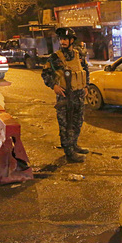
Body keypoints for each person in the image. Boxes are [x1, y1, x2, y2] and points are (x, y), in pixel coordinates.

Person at [42, 27, 90, 163]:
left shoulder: (78, 55)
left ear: (71, 41)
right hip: (65, 97)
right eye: (61, 39)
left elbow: (85, 70)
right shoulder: (55, 57)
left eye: (65, 39)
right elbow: (45, 74)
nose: (63, 41)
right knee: (66, 125)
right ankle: (69, 153)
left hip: (79, 95)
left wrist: (86, 85)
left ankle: (74, 145)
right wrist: (54, 86)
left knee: (78, 122)